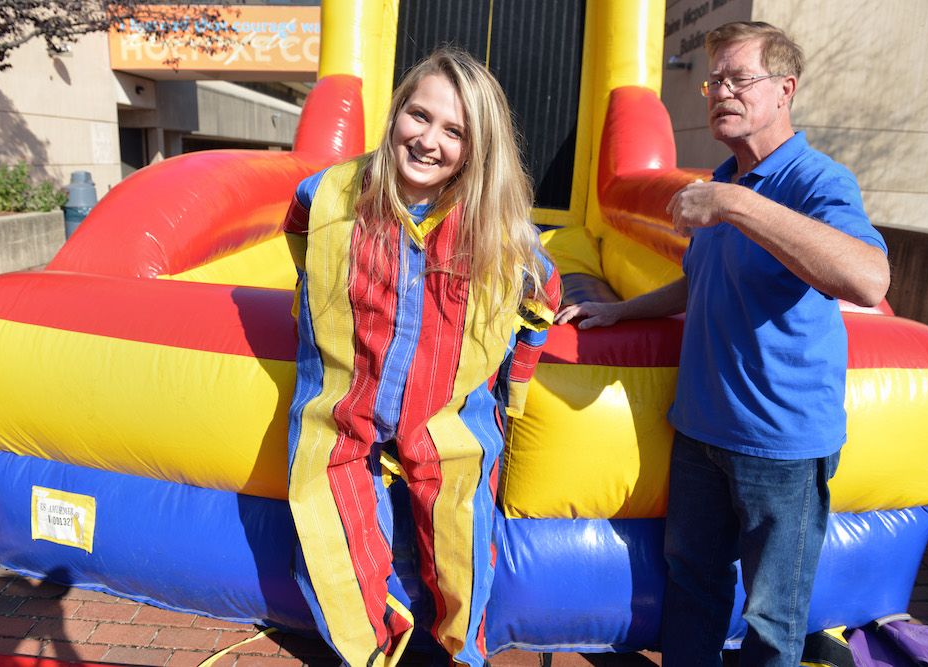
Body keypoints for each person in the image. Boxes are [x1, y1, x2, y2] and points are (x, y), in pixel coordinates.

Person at [556, 21, 889, 667]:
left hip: (784, 449)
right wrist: (618, 310)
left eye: (738, 78)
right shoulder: (727, 177)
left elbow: (869, 277)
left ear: (785, 89)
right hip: (703, 436)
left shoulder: (816, 181)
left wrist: (737, 204)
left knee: (772, 616)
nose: (719, 92)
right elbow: (695, 284)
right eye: (714, 80)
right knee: (693, 588)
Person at [283, 45, 562, 667]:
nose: (428, 140)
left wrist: (510, 395)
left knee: (463, 535)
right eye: (418, 115)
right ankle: (371, 651)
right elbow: (301, 240)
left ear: (477, 147)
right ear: (395, 115)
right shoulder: (329, 193)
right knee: (328, 530)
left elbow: (540, 299)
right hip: (345, 404)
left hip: (446, 413)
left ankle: (459, 654)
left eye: (454, 131)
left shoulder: (497, 229)